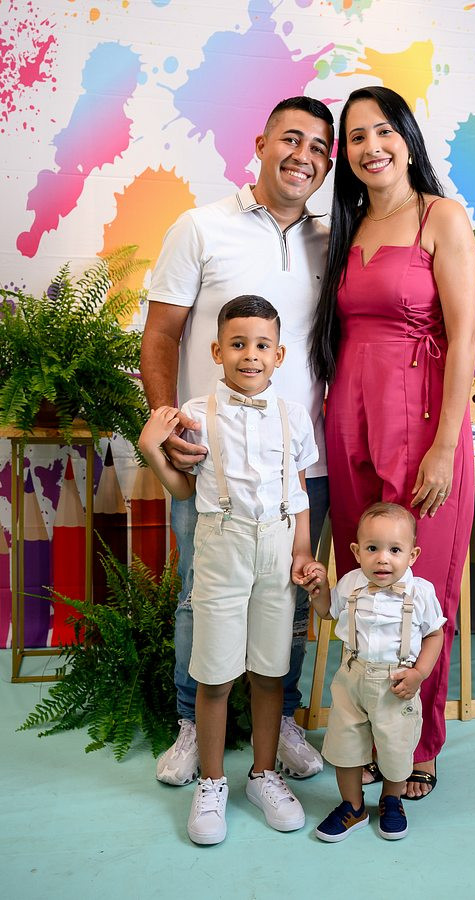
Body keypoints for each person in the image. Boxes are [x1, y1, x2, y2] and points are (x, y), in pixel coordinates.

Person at [141, 96, 334, 786]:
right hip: (211, 462)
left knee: (290, 596)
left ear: (328, 164)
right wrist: (169, 426)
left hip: (299, 461)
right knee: (202, 596)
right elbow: (160, 336)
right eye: (291, 139)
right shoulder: (201, 227)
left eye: (318, 147)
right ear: (260, 143)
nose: (302, 156)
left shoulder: (333, 242)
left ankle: (280, 723)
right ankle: (192, 724)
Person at [310, 86, 475, 799]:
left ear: (407, 138)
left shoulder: (442, 217)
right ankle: (364, 732)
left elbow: (464, 337)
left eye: (383, 131)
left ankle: (419, 744)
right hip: (348, 416)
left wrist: (445, 444)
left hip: (421, 421)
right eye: (355, 137)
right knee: (364, 583)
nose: (371, 146)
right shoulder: (344, 227)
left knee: (421, 587)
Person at [139, 295, 320, 844]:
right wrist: (152, 450)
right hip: (221, 548)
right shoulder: (195, 414)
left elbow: (299, 492)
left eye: (262, 345)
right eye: (238, 344)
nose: (250, 355)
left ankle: (264, 775)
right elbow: (184, 490)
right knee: (215, 673)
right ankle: (213, 782)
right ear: (217, 351)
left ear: (279, 355)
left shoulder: (293, 416)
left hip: (278, 550)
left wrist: (303, 552)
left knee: (270, 671)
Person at [300, 502, 445, 841]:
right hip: (352, 678)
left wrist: (419, 674)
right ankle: (352, 806)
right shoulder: (351, 583)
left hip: (397, 682)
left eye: (395, 550)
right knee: (345, 744)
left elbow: (435, 634)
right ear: (356, 551)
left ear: (412, 555)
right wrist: (318, 592)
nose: (382, 559)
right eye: (372, 549)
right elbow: (327, 612)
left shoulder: (420, 592)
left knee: (396, 746)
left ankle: (392, 800)